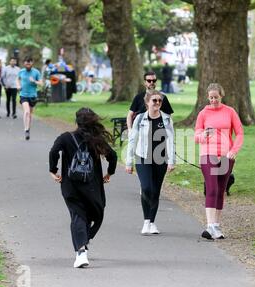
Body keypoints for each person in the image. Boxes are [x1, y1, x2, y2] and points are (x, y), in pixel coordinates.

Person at [49, 107, 118, 268]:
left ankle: (81, 250)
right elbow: (112, 156)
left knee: (78, 216)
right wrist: (109, 173)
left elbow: (53, 152)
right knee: (96, 214)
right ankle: (82, 247)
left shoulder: (66, 138)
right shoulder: (97, 140)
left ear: (76, 121)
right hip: (92, 186)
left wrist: (53, 170)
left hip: (70, 185)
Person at [194, 83, 244, 240]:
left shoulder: (230, 112)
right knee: (212, 187)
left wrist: (233, 151)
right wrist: (204, 135)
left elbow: (240, 133)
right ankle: (209, 226)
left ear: (221, 96)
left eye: (216, 97)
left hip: (226, 156)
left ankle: (216, 225)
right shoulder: (203, 113)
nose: (213, 100)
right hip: (207, 154)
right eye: (211, 98)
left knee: (221, 189)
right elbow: (196, 137)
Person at [126, 90, 176, 235]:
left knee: (155, 191)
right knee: (146, 187)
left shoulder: (166, 119)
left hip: (161, 159)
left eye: (160, 101)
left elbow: (171, 140)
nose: (157, 103)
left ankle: (151, 223)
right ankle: (145, 221)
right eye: (154, 100)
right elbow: (132, 140)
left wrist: (172, 161)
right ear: (147, 102)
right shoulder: (140, 119)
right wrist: (129, 162)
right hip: (142, 157)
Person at [16, 57, 43, 140]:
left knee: (30, 114)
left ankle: (28, 128)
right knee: (27, 112)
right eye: (26, 63)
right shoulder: (21, 71)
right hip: (23, 95)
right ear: (24, 63)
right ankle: (26, 130)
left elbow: (41, 84)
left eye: (30, 63)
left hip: (33, 96)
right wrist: (18, 86)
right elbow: (17, 79)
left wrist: (34, 81)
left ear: (32, 63)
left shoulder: (36, 72)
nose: (28, 65)